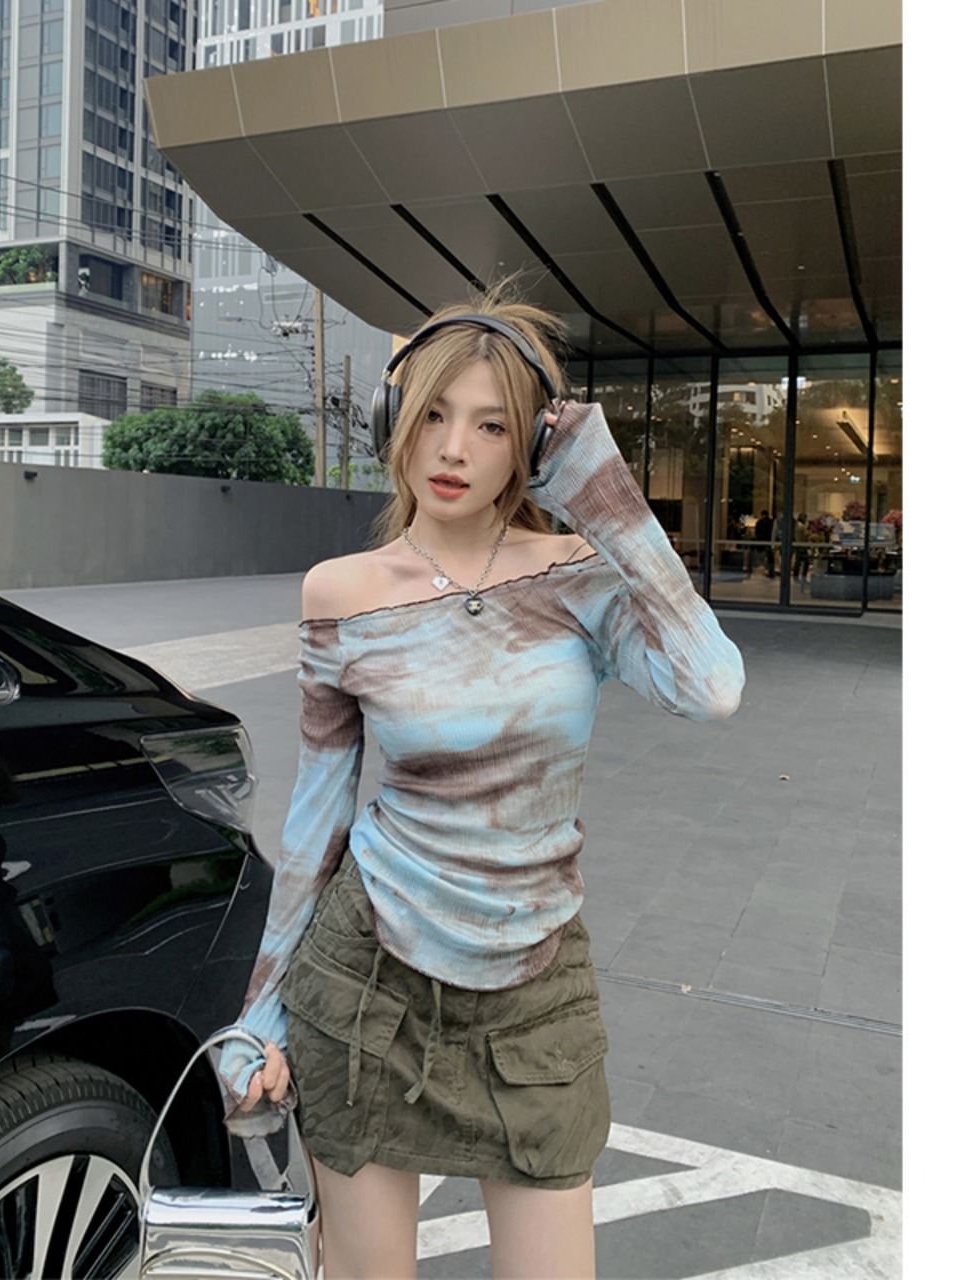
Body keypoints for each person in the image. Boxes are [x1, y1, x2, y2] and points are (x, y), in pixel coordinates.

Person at [217, 295, 746, 1279]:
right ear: (396, 421)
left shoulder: (579, 577)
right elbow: (316, 818)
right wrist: (262, 1011)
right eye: (432, 414)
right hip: (366, 983)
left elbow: (710, 686)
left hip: (534, 990)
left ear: (534, 447)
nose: (453, 448)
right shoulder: (340, 591)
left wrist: (606, 495)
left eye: (492, 424)